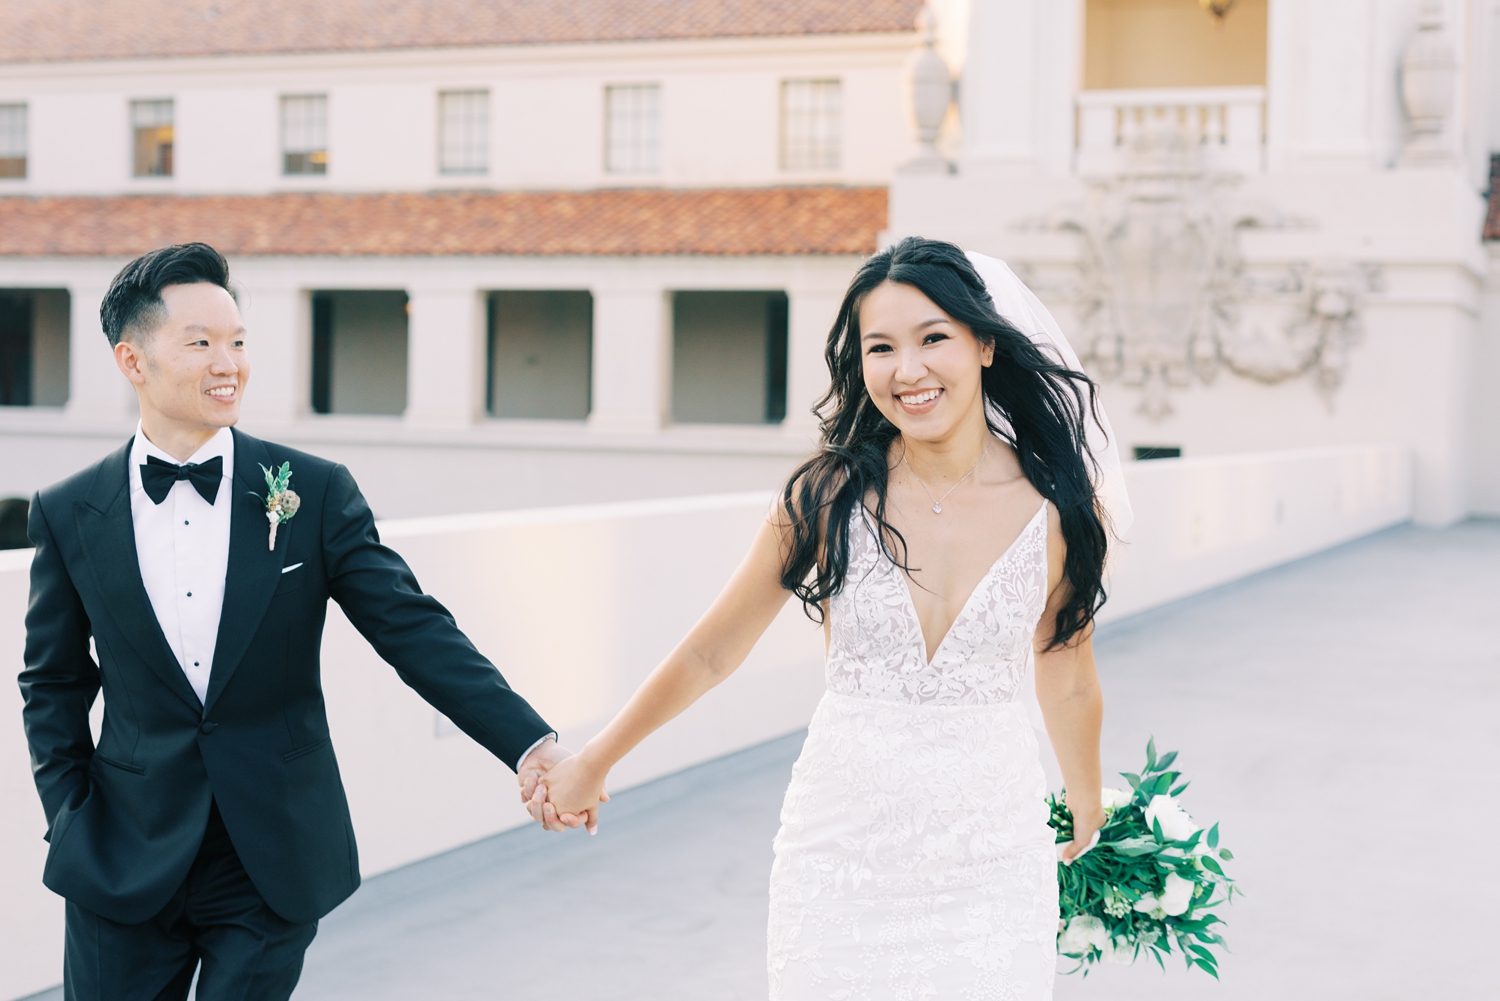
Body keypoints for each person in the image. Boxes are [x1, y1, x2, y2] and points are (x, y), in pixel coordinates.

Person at [532, 237, 1131, 999]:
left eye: (932, 338)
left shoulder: (1059, 511)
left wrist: (1086, 795)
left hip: (992, 856)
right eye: (880, 347)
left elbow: (1067, 669)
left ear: (984, 343)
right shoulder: (824, 498)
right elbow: (712, 651)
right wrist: (594, 761)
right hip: (841, 855)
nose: (906, 370)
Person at [17, 243, 570, 1001]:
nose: (229, 364)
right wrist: (71, 820)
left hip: (268, 856)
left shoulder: (311, 491)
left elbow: (412, 629)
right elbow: (51, 682)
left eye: (239, 342)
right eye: (201, 342)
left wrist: (530, 744)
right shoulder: (67, 509)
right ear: (132, 360)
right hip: (121, 854)